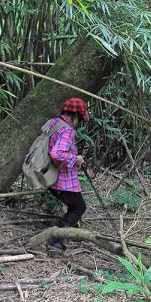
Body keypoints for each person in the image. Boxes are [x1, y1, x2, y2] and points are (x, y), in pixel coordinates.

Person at [44, 97, 89, 250]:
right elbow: (57, 153)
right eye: (80, 119)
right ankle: (55, 239)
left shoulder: (53, 123)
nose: (78, 124)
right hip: (63, 181)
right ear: (75, 116)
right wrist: (76, 158)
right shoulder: (67, 130)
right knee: (78, 208)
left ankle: (75, 232)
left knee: (74, 206)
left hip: (51, 177)